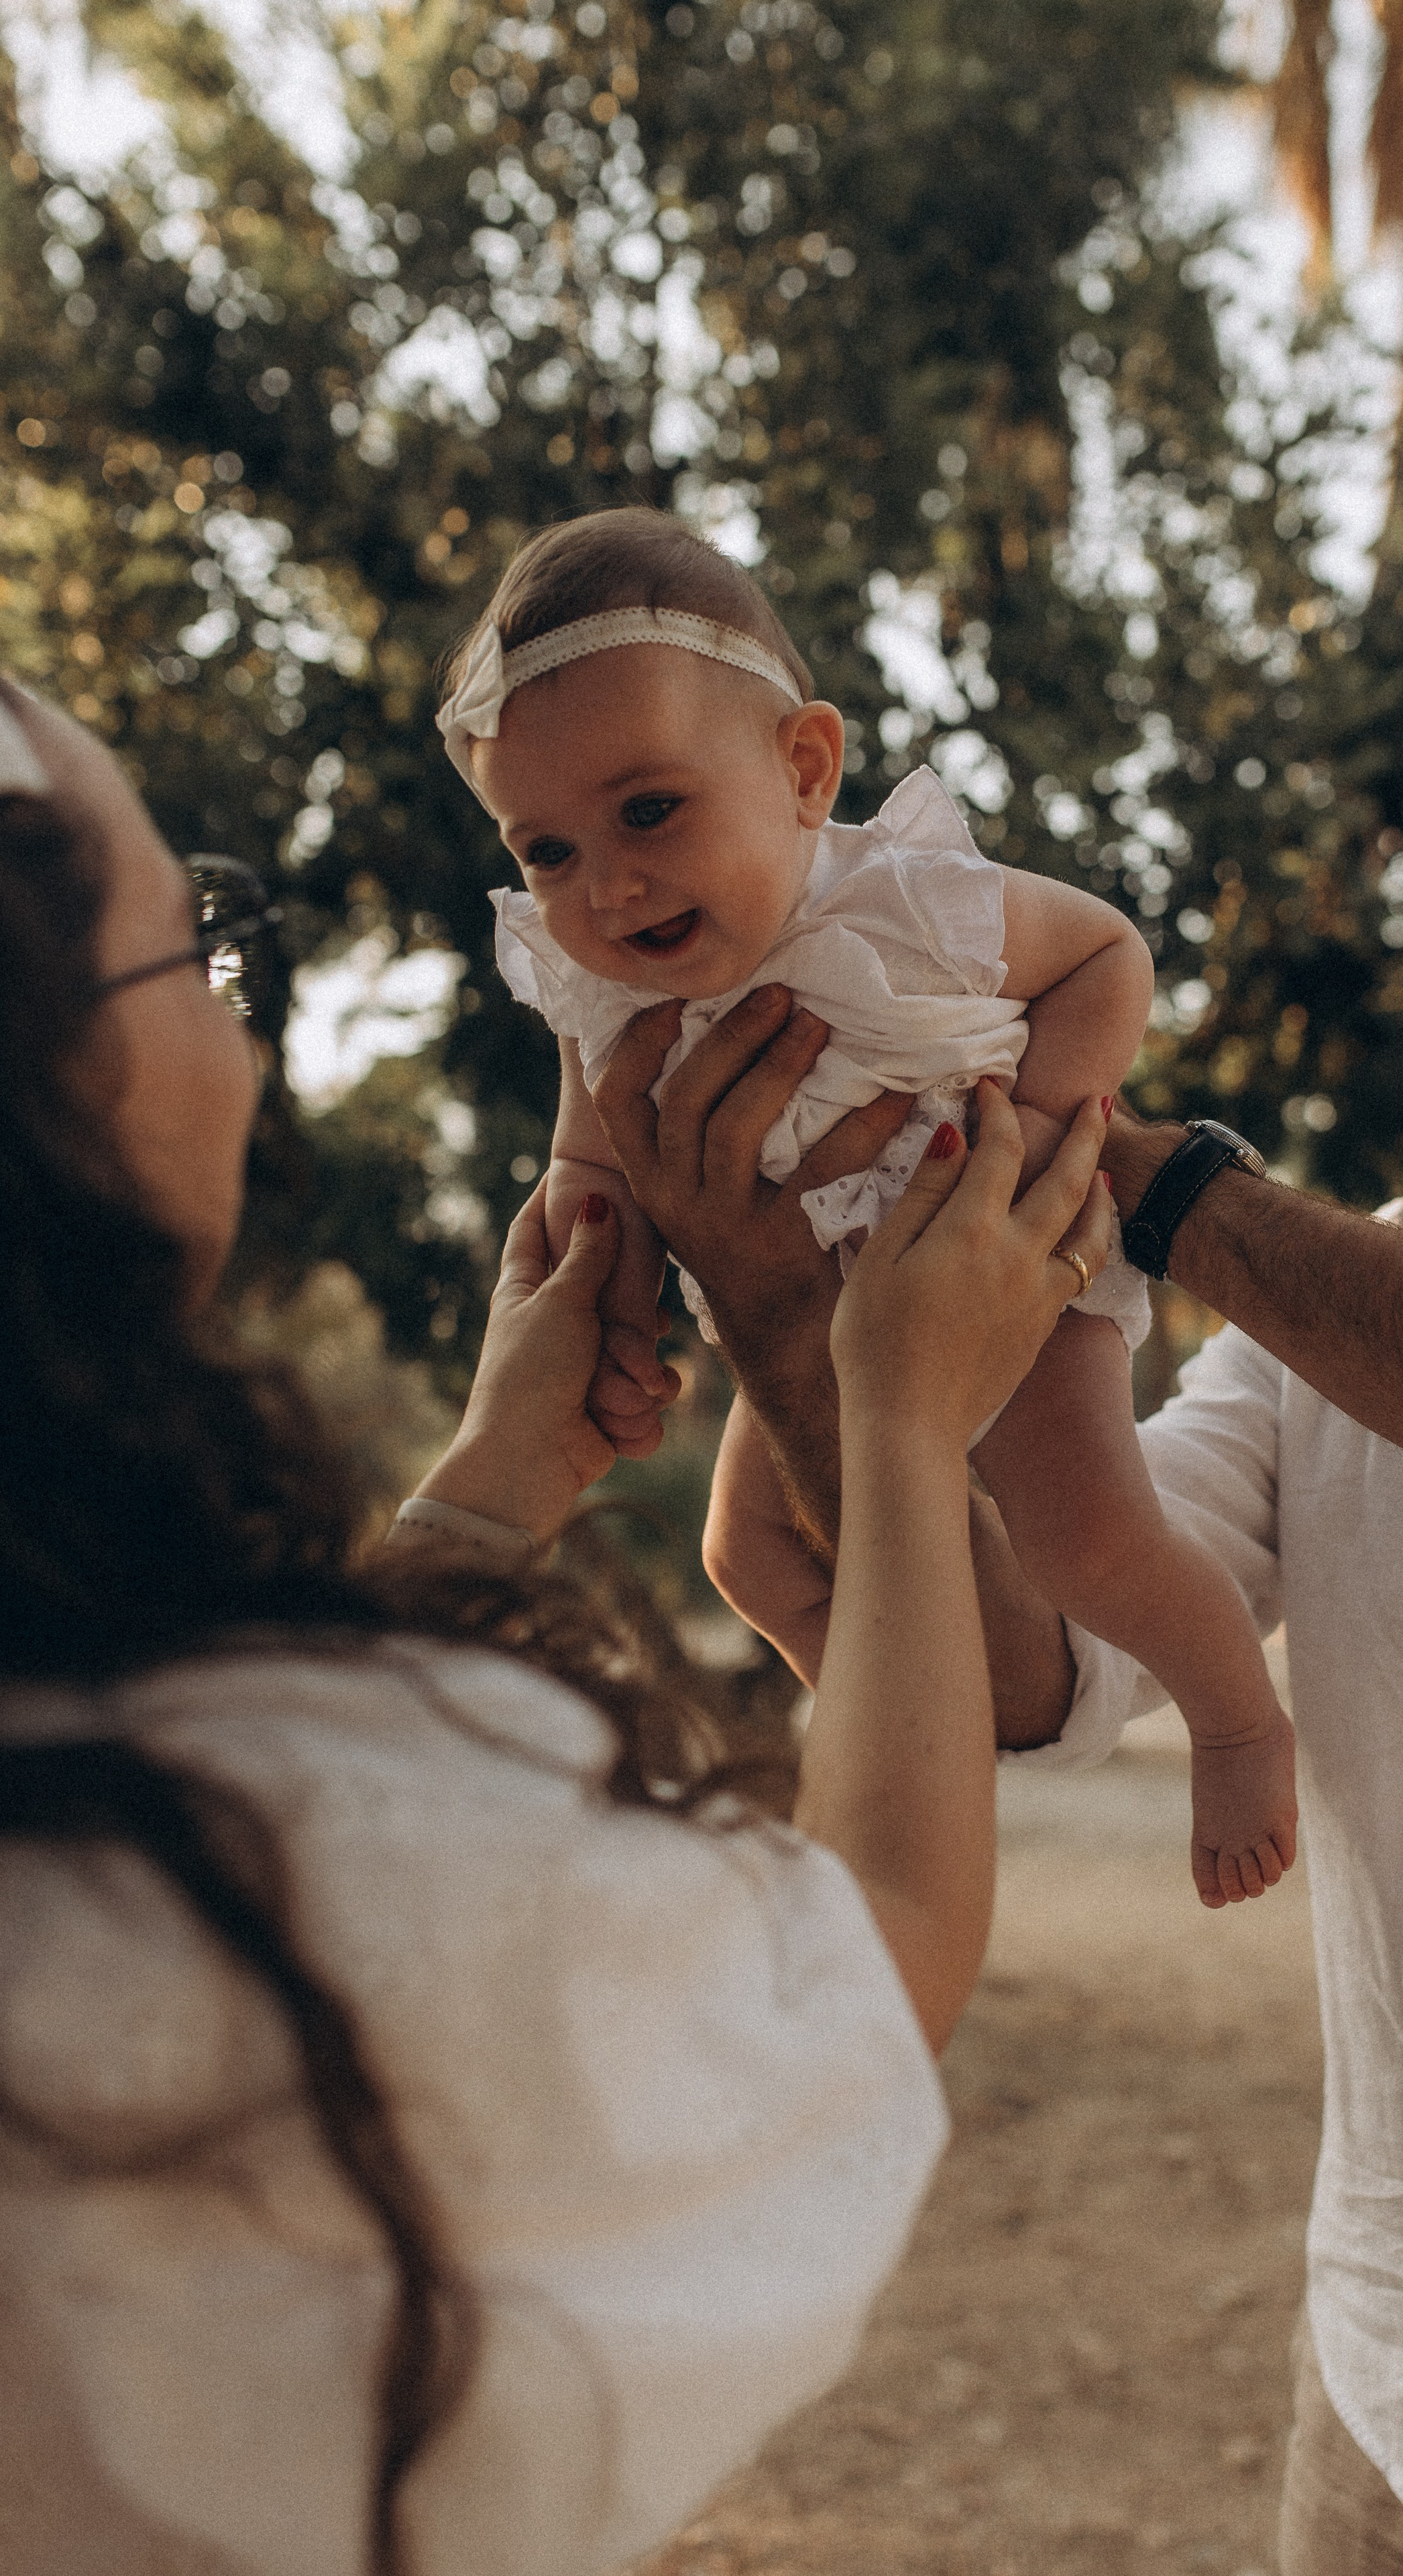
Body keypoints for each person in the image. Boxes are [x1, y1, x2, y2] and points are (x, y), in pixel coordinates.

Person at [591, 662, 1403, 2576]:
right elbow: (1043, 1661)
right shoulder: (1309, 1357)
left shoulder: (1288, 1276)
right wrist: (801, 1332)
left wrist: (1146, 1178)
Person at [0, 672, 1113, 2576]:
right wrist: (902, 1417)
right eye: (196, 937)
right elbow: (874, 1954)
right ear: (66, 1090)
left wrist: (497, 1485)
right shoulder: (227, 1877)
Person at [435, 506, 1296, 1907]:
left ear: (801, 766)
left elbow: (1105, 957)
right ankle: (903, 1745)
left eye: (647, 811)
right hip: (821, 1332)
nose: (608, 885)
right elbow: (596, 1166)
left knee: (1085, 1540)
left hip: (1000, 1264)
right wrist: (584, 1276)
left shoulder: (905, 904)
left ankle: (1240, 1723)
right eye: (546, 852)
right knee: (746, 1550)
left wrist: (1029, 1139)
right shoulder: (597, 990)